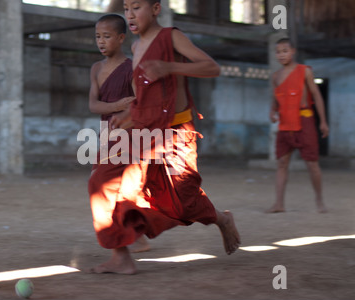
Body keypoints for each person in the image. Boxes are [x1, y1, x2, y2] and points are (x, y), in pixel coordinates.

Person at [88, 0, 240, 275]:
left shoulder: (172, 37)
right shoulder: (136, 47)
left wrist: (170, 67)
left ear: (156, 9)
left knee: (182, 202)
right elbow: (146, 98)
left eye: (137, 7)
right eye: (126, 8)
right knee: (103, 181)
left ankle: (222, 219)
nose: (131, 14)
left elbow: (211, 67)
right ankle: (120, 256)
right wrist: (128, 116)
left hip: (175, 134)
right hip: (143, 131)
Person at [89, 14, 150, 253]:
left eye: (107, 36)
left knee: (110, 186)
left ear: (121, 38)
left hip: (129, 134)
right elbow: (93, 105)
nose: (101, 42)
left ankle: (128, 240)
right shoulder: (96, 69)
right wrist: (116, 105)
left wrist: (126, 108)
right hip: (107, 133)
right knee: (107, 185)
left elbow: (139, 103)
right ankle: (138, 238)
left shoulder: (132, 68)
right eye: (97, 37)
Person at [267, 38, 329, 214]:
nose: (281, 55)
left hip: (304, 120)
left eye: (285, 51)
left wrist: (323, 121)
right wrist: (272, 111)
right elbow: (275, 98)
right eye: (278, 52)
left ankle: (319, 200)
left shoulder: (305, 71)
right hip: (285, 124)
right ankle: (279, 204)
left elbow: (316, 96)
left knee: (312, 163)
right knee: (281, 163)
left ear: (293, 51)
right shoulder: (276, 76)